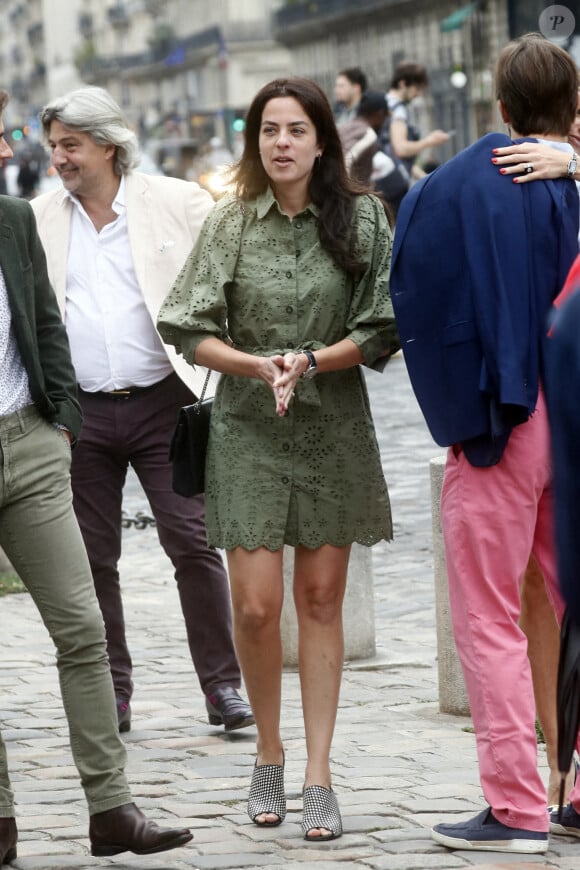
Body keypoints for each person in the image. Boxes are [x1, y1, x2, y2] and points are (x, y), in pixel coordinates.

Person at [157, 75, 400, 842]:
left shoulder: (362, 218)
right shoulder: (229, 223)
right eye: (268, 130)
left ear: (322, 139)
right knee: (259, 607)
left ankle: (319, 773)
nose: (282, 143)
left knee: (322, 601)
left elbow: (383, 325)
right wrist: (259, 365)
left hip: (333, 425)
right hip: (247, 428)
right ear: (255, 140)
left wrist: (311, 360)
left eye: (296, 129)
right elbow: (186, 326)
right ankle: (268, 750)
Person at [390, 33, 580, 855]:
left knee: (490, 616)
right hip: (573, 418)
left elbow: (417, 298)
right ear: (572, 106)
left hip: (502, 425)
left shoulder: (458, 185)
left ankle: (516, 806)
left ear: (499, 106)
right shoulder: (572, 176)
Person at [0, 88, 192, 863]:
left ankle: (112, 810)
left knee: (82, 630)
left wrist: (61, 425)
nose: (13, 152)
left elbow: (43, 323)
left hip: (31, 447)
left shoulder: (12, 222)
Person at [30, 87, 253, 736]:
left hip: (166, 403)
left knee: (193, 543)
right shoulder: (37, 218)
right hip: (78, 414)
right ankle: (113, 694)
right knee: (91, 558)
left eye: (70, 145)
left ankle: (223, 688)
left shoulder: (178, 201)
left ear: (108, 144)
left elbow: (229, 283)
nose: (59, 159)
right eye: (53, 147)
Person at [384, 61, 449, 182]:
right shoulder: (398, 110)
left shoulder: (383, 104)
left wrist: (424, 178)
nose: (418, 94)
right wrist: (430, 141)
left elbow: (392, 154)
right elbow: (400, 149)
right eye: (417, 88)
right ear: (403, 84)